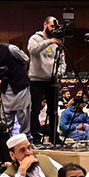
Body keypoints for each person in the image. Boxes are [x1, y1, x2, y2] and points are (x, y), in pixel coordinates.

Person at [0, 33, 32, 137]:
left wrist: (16, 69)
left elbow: (25, 59)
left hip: (20, 84)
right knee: (6, 113)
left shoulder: (11, 48)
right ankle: (6, 136)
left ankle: (26, 136)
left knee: (23, 113)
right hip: (6, 85)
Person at [27, 17, 67, 146]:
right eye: (52, 26)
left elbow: (62, 62)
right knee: (35, 110)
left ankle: (54, 136)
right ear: (45, 24)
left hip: (52, 80)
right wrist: (49, 42)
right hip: (37, 80)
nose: (54, 29)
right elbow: (32, 50)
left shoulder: (58, 42)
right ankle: (35, 136)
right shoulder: (35, 38)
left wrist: (58, 73)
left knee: (53, 110)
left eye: (55, 27)